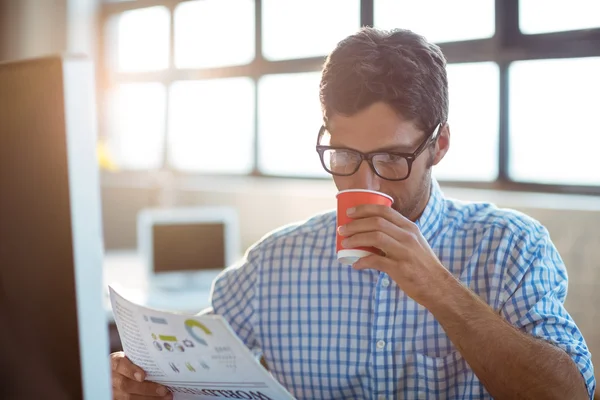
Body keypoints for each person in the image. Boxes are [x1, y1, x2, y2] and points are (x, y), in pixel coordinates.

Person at [110, 27, 596, 400]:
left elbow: (570, 393)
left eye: (391, 159)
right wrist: (147, 382)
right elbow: (191, 370)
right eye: (343, 156)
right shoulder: (272, 265)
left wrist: (439, 290)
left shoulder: (510, 248)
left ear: (439, 145)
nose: (364, 184)